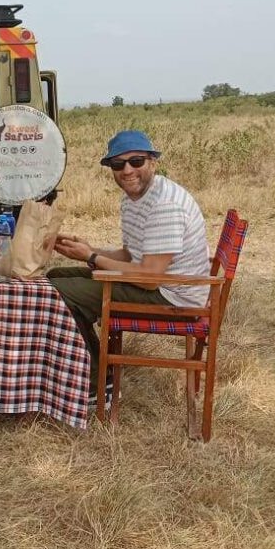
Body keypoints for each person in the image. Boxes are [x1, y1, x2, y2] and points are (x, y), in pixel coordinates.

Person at [48, 129, 210, 401]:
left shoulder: (165, 205)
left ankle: (99, 384)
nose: (127, 170)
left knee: (58, 291)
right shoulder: (134, 198)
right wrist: (88, 249)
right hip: (159, 283)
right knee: (55, 275)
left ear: (152, 163)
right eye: (118, 164)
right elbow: (130, 255)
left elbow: (150, 278)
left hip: (173, 296)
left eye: (136, 161)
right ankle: (85, 360)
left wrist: (90, 258)